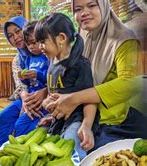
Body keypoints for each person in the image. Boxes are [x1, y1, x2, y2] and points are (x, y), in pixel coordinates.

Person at [46, 0, 147, 149]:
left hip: (112, 119)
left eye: (92, 5)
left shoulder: (124, 40)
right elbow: (74, 76)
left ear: (104, 6)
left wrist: (74, 98)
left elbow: (129, 83)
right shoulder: (82, 37)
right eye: (78, 9)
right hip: (80, 114)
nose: (84, 13)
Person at [36, 13, 98, 159]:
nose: (40, 47)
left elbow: (91, 99)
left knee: (71, 151)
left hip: (78, 120)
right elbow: (53, 95)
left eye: (43, 42)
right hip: (59, 120)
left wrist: (86, 126)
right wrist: (50, 112)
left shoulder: (80, 65)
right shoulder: (52, 63)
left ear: (61, 38)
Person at [0, 16, 47, 150]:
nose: (15, 37)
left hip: (46, 98)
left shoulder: (47, 52)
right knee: (5, 115)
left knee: (22, 122)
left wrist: (43, 91)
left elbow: (56, 77)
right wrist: (25, 95)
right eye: (10, 36)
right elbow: (22, 86)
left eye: (18, 31)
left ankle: (19, 150)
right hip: (28, 96)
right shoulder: (21, 59)